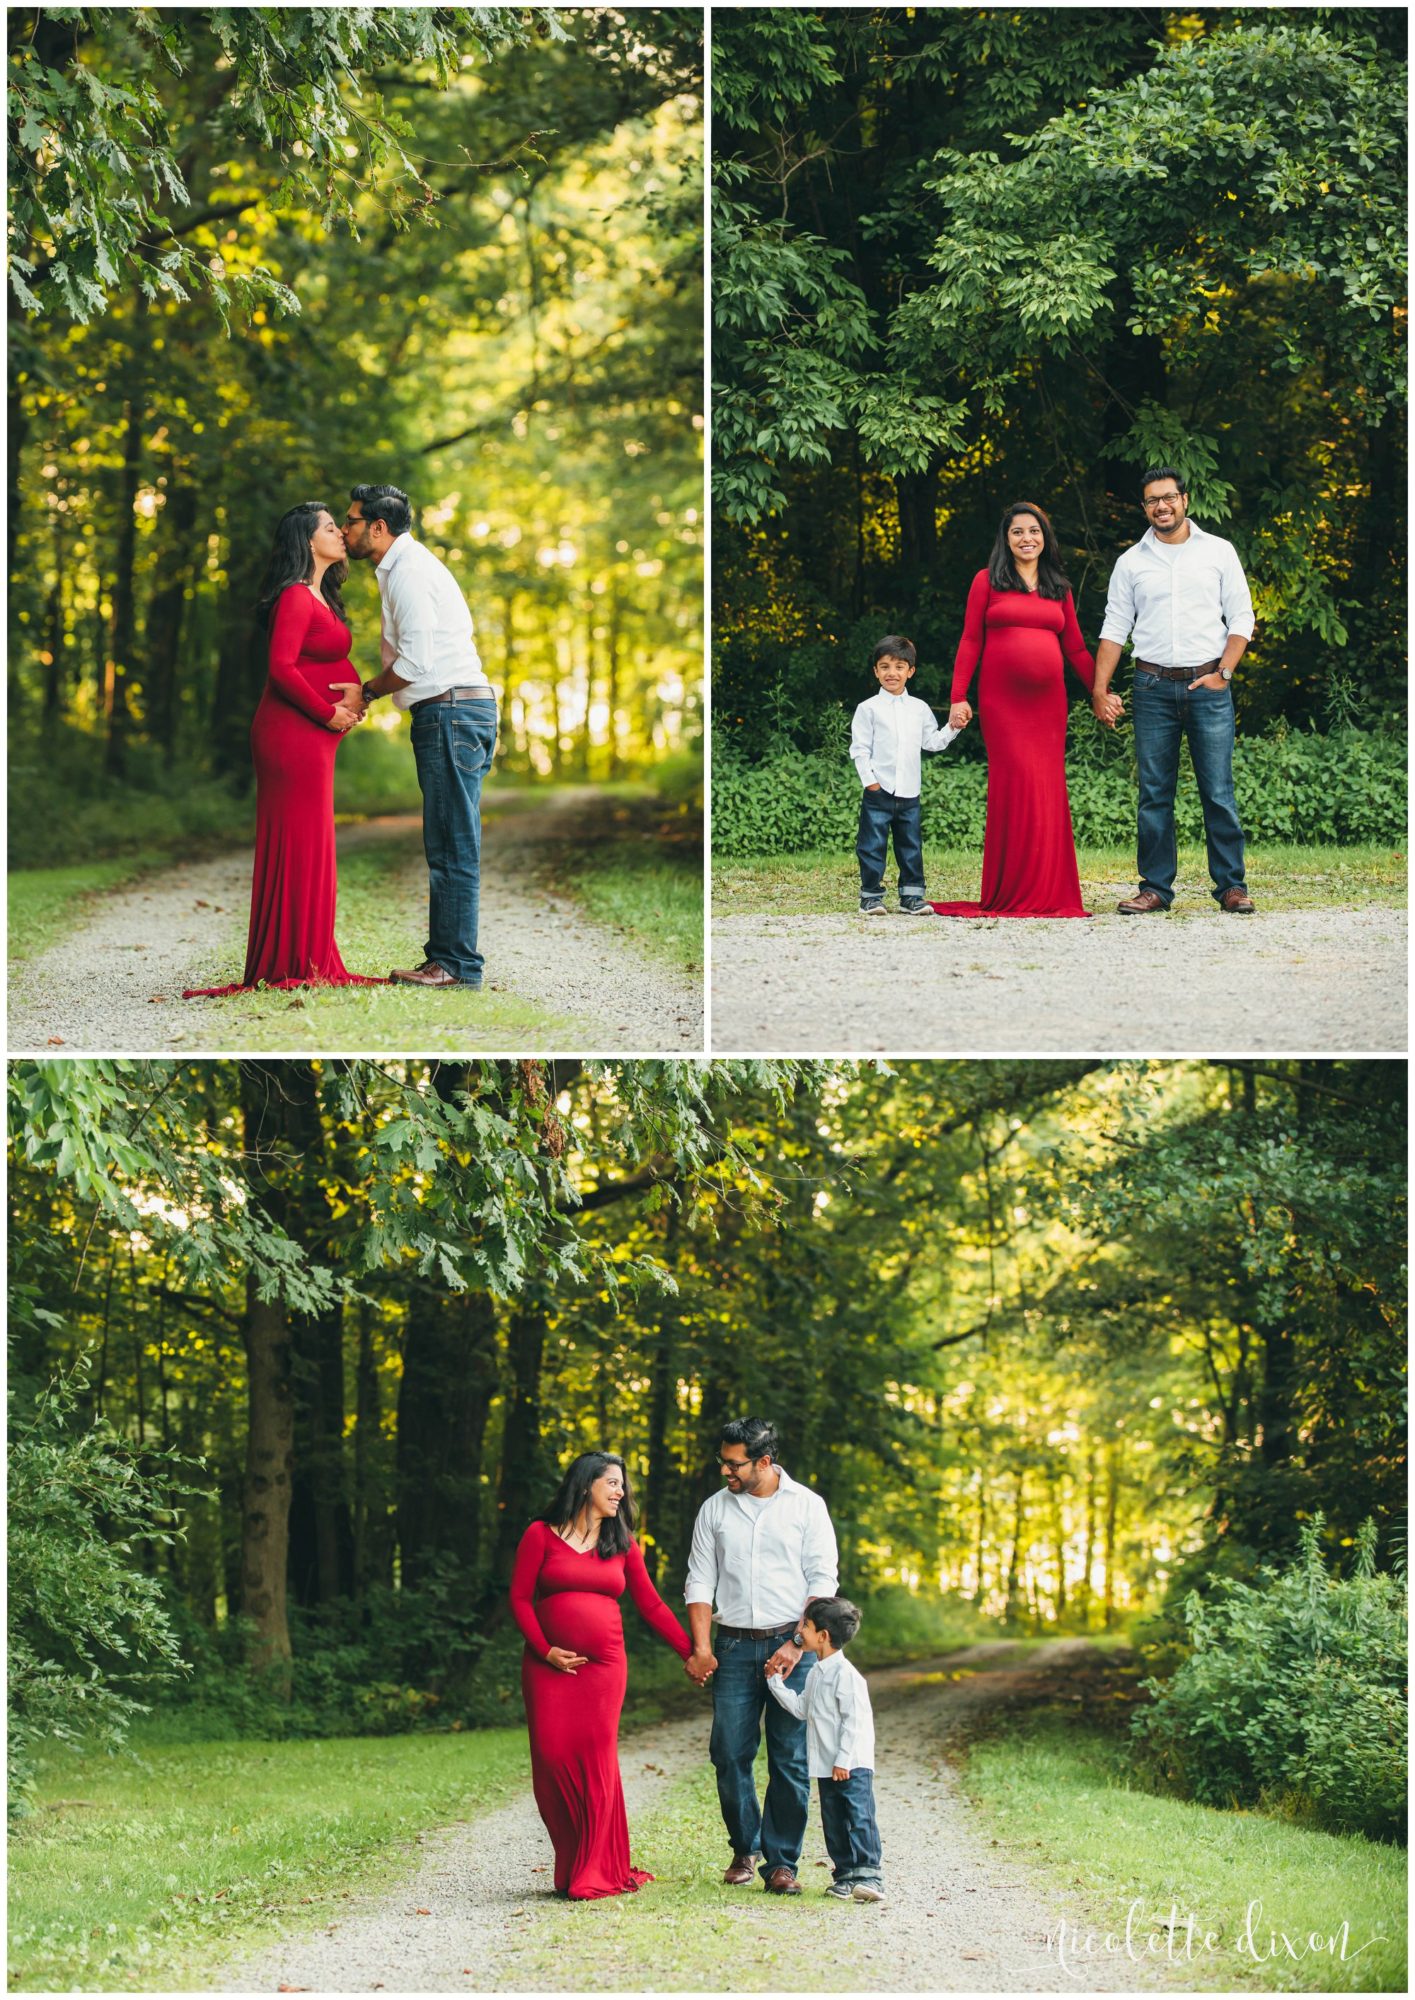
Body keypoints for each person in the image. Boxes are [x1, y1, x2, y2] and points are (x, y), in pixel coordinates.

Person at [184, 503, 379, 998]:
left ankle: (309, 953)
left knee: (313, 842)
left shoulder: (322, 596)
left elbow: (325, 661)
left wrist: (351, 704)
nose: (342, 533)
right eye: (332, 527)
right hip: (290, 734)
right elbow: (282, 669)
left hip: (314, 735)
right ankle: (288, 959)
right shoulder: (295, 596)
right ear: (308, 541)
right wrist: (327, 712)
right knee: (298, 841)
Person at [509, 1451, 692, 1900]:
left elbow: (650, 1604)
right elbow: (519, 1599)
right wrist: (546, 1650)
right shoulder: (540, 1534)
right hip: (547, 1668)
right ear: (586, 1483)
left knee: (597, 1764)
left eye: (621, 1485)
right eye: (612, 1483)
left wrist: (692, 1652)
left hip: (605, 1670)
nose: (620, 1492)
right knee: (551, 1762)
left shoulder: (622, 1542)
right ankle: (572, 1862)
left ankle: (593, 1869)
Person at [341, 484, 499, 987]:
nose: (345, 530)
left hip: (451, 712)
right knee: (449, 839)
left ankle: (455, 965)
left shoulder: (408, 572)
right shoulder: (402, 568)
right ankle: (448, 958)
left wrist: (367, 690)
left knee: (452, 842)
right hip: (452, 711)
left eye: (352, 522)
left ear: (378, 528)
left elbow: (415, 664)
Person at [684, 1417, 840, 1895]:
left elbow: (822, 1580)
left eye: (734, 1464)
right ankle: (744, 1846)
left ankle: (782, 1863)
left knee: (790, 1758)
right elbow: (699, 1579)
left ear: (765, 1462)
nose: (726, 1472)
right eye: (723, 1462)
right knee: (728, 1753)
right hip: (731, 1646)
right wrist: (702, 1646)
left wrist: (797, 1644)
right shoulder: (714, 1509)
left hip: (793, 1646)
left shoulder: (807, 1507)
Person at [1091, 466, 1257, 914]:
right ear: (1144, 508)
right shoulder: (1131, 562)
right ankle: (1156, 889)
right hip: (1152, 687)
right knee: (1154, 793)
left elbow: (1242, 618)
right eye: (1151, 500)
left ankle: (1231, 887)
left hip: (1209, 684)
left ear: (1185, 500)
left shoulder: (1219, 552)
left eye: (1168, 497)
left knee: (1218, 791)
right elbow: (1115, 626)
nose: (1161, 506)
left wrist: (1224, 673)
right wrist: (1099, 688)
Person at [931, 502, 1108, 920]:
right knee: (1016, 785)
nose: (1027, 538)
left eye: (1034, 531)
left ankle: (1048, 889)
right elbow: (971, 641)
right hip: (1002, 704)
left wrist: (1099, 692)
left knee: (1046, 788)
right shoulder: (986, 582)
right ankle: (1011, 890)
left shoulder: (1058, 586)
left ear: (1045, 537)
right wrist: (959, 695)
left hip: (1048, 707)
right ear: (1005, 539)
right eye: (1017, 532)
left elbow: (1077, 649)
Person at [765, 1596, 883, 1903]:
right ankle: (844, 1875)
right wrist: (775, 1683)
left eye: (805, 1624)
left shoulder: (847, 1677)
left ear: (823, 1636)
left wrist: (844, 1760)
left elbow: (853, 1723)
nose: (799, 1630)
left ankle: (869, 1874)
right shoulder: (817, 1672)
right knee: (833, 1820)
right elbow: (802, 1709)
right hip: (826, 1765)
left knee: (858, 1816)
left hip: (851, 1764)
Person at [849, 636, 966, 916]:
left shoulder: (919, 709)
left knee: (911, 846)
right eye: (885, 666)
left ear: (910, 671)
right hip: (879, 791)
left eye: (899, 666)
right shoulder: (868, 709)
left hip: (909, 792)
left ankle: (912, 897)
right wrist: (871, 783)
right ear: (876, 671)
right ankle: (871, 897)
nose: (892, 673)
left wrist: (953, 726)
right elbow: (860, 749)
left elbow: (933, 742)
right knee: (872, 845)